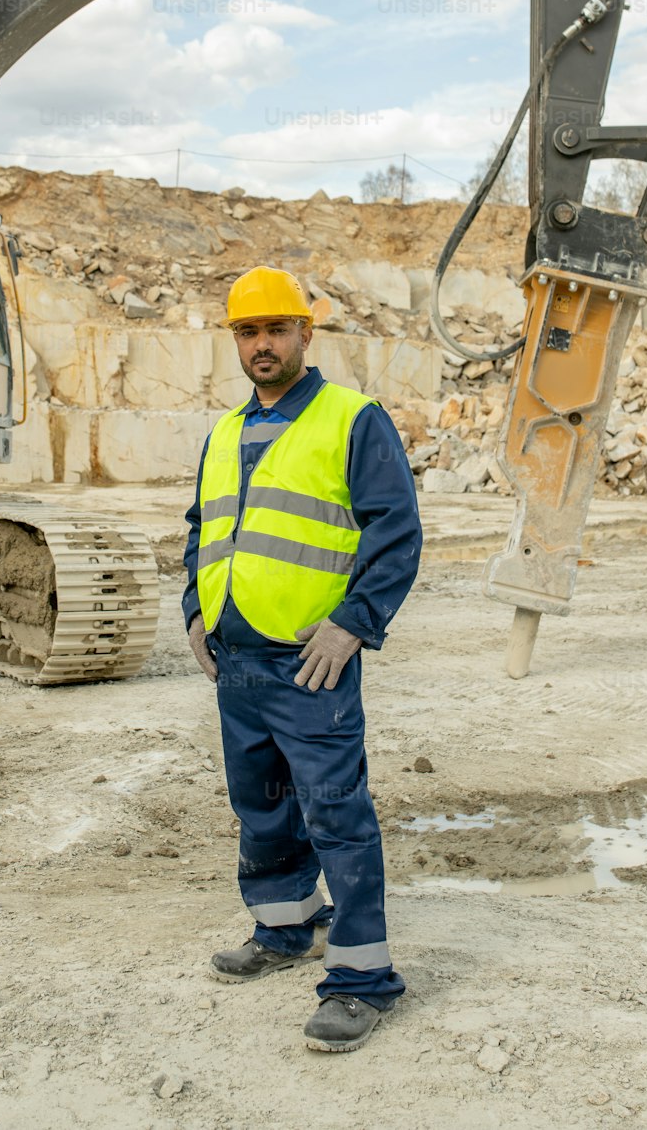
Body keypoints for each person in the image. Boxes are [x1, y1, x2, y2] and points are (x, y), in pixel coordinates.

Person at [182, 265, 423, 1053]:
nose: (262, 345)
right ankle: (286, 928)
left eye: (276, 330)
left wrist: (353, 624)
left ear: (305, 334)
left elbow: (396, 533)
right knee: (262, 808)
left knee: (336, 814)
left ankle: (362, 980)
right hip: (238, 659)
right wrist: (194, 610)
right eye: (248, 332)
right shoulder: (223, 431)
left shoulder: (354, 420)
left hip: (310, 664)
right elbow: (202, 527)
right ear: (236, 341)